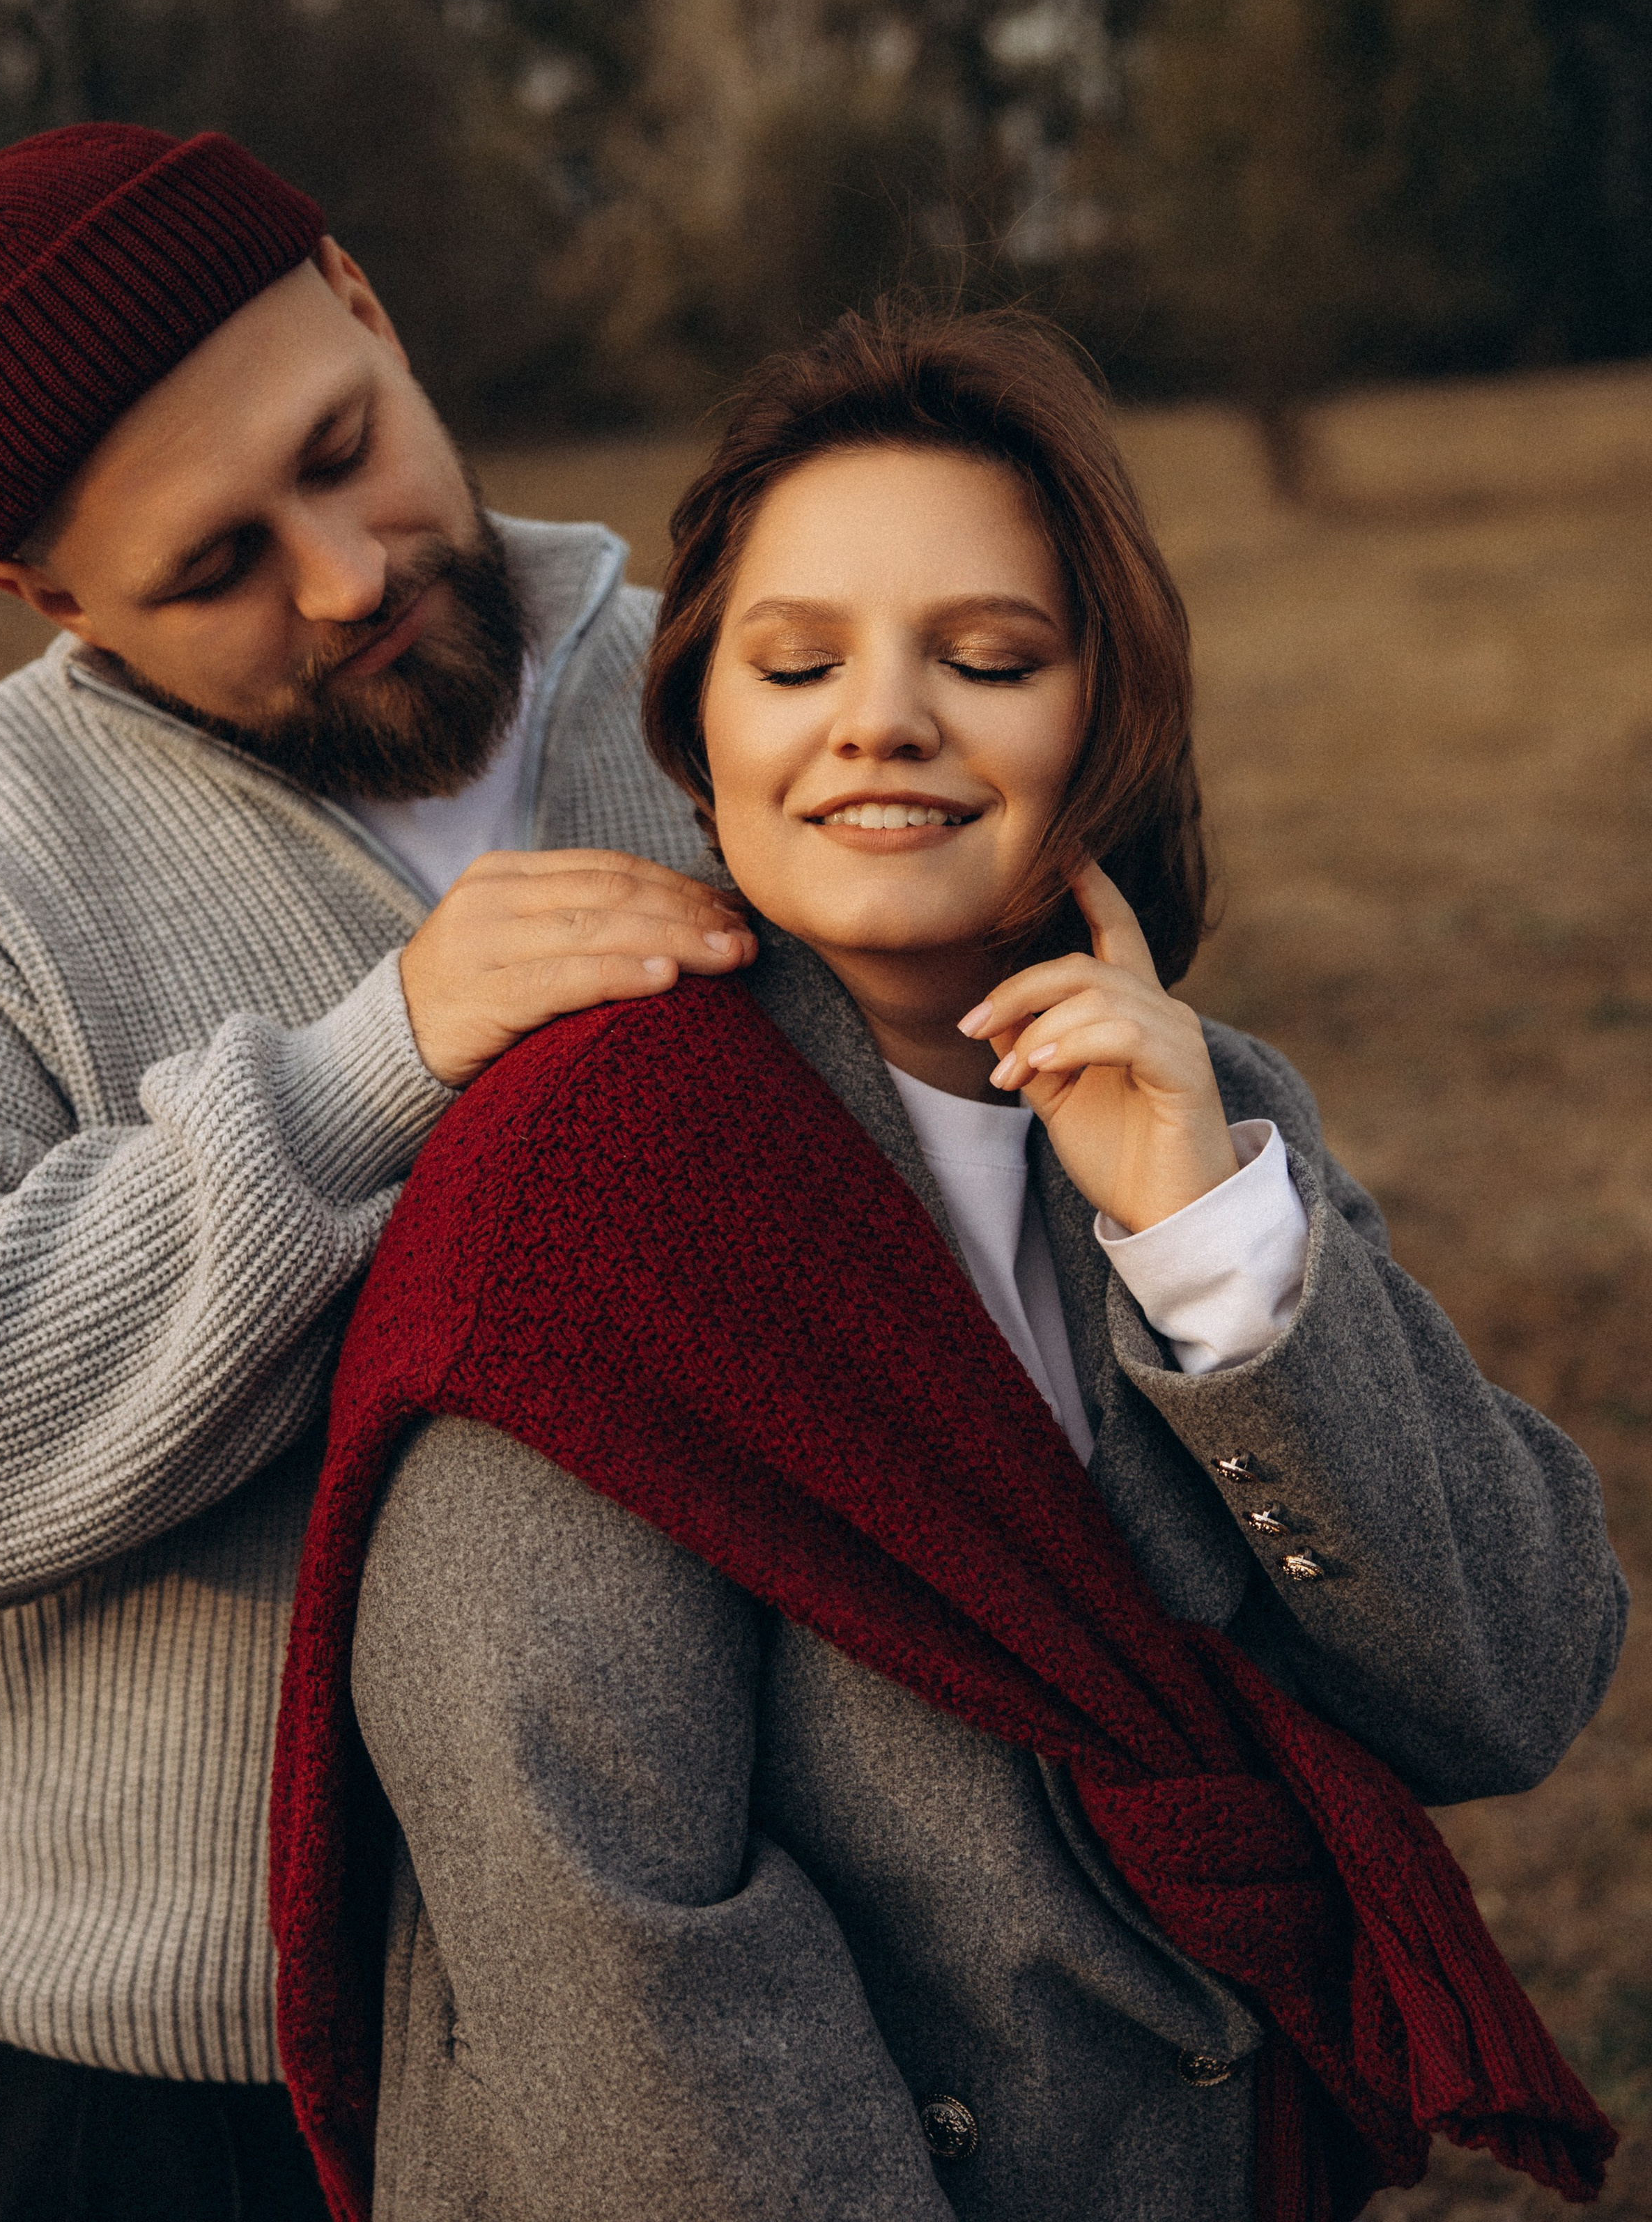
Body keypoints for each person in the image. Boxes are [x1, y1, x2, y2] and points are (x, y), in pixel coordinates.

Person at [275, 302, 1626, 2222]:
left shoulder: (1208, 1112)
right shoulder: (591, 1189)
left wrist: (1215, 1252)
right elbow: (604, 1925)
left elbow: (1514, 1682)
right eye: (797, 660)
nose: (882, 719)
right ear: (701, 720)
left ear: (1105, 719)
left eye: (987, 659)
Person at [0, 121, 755, 2221]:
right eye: (218, 568)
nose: (347, 574)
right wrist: (375, 1077)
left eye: (342, 449)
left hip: (729, 2017)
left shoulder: (745, 693)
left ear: (363, 300)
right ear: (48, 600)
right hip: (159, 2096)